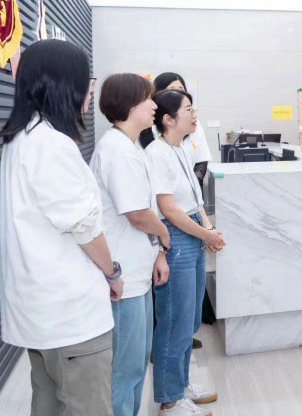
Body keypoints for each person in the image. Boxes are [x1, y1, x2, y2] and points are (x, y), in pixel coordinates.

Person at [0, 40, 123, 416]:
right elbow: (85, 229)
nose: (90, 90)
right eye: (87, 81)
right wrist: (113, 272)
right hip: (70, 316)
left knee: (48, 403)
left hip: (39, 313)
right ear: (64, 85)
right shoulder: (52, 146)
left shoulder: (20, 140)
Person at [91, 73, 172, 416]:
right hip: (123, 279)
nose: (154, 105)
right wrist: (164, 236)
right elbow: (137, 214)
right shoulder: (117, 151)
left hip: (137, 273)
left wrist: (158, 253)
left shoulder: (130, 147)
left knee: (137, 364)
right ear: (128, 105)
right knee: (125, 371)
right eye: (147, 99)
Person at [145, 89, 226, 416]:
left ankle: (181, 384)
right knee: (174, 322)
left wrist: (207, 229)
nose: (194, 115)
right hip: (176, 237)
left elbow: (193, 200)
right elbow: (168, 209)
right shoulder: (157, 153)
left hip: (191, 232)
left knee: (189, 319)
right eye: (188, 109)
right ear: (168, 119)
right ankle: (169, 399)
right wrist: (205, 233)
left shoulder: (180, 148)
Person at [140, 72, 213, 187]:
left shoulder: (192, 127)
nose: (178, 94)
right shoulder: (150, 135)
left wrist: (190, 186)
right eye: (172, 90)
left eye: (181, 89)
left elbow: (201, 159)